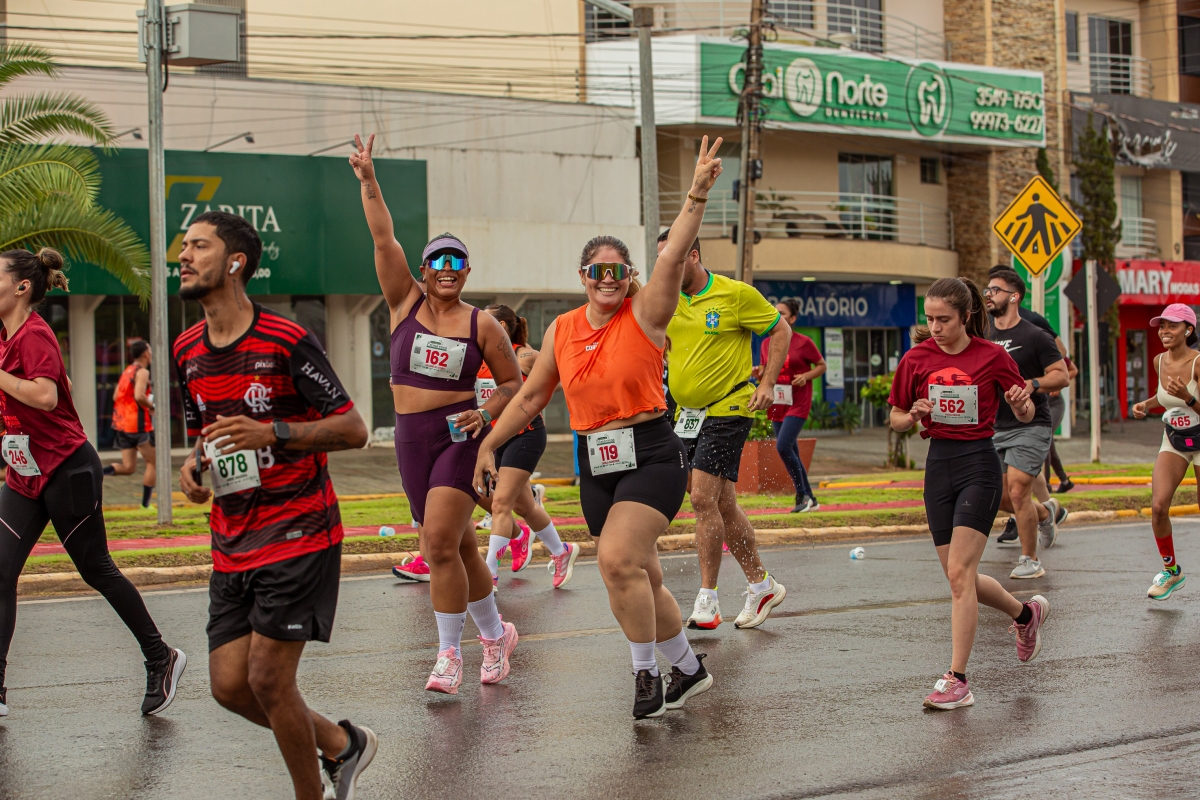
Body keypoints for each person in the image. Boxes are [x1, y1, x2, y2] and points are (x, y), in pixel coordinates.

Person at [475, 136, 725, 719]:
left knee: (615, 560)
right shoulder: (562, 329)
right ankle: (688, 669)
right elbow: (530, 397)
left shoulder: (647, 312)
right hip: (597, 463)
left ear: (628, 274)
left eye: (617, 271)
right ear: (583, 275)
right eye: (597, 271)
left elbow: (673, 256)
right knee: (641, 577)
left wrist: (696, 194)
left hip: (652, 454)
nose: (607, 279)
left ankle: (645, 677)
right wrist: (489, 441)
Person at [175, 212, 376, 800]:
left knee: (268, 679)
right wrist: (194, 467)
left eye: (198, 246)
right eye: (184, 246)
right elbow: (206, 435)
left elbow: (354, 429)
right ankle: (342, 745)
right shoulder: (186, 350)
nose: (184, 256)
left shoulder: (285, 340)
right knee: (229, 686)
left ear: (235, 262)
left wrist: (274, 432)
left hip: (299, 530)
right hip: (232, 537)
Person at [350, 133, 523, 697]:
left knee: (440, 545)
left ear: (467, 272)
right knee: (462, 546)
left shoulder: (482, 324)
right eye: (438, 261)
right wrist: (369, 180)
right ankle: (496, 636)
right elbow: (383, 236)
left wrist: (485, 414)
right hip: (410, 439)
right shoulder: (404, 302)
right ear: (424, 269)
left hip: (457, 436)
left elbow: (513, 385)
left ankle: (449, 655)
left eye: (457, 261)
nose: (447, 268)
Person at [0, 248, 184, 720]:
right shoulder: (5, 337)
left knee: (96, 569)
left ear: (21, 286)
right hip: (26, 472)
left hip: (67, 469)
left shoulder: (34, 334)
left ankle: (160, 656)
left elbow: (46, 396)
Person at [888, 277, 1049, 710]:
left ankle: (957, 679)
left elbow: (1025, 410)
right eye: (930, 319)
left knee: (960, 575)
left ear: (965, 316)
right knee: (959, 576)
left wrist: (1020, 403)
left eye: (944, 319)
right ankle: (1025, 614)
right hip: (937, 466)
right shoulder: (916, 358)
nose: (935, 327)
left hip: (979, 463)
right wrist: (912, 414)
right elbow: (897, 417)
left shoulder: (992, 356)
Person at [660, 229, 791, 631]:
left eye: (674, 256)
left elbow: (780, 330)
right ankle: (761, 584)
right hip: (685, 413)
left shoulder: (735, 294)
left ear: (693, 255)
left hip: (731, 406)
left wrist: (767, 383)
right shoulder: (664, 297)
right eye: (662, 258)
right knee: (721, 504)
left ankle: (708, 598)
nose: (667, 264)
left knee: (702, 497)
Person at [476, 304, 579, 589]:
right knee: (525, 507)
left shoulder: (525, 355)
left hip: (526, 435)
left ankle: (489, 574)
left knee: (500, 504)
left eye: (486, 319)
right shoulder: (484, 358)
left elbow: (562, 373)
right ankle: (561, 551)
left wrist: (535, 396)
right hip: (497, 438)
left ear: (502, 327)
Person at [984, 268, 1068, 578]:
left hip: (1031, 424)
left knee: (1019, 491)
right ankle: (1045, 513)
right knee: (1000, 496)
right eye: (987, 289)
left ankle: (1030, 560)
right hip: (995, 425)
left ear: (1014, 297)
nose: (989, 294)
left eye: (995, 290)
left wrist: (1033, 384)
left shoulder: (1035, 335)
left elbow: (1061, 375)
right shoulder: (983, 336)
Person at [1130, 304, 1200, 601]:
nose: (1164, 331)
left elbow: (1185, 398)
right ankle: (1171, 572)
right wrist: (1146, 404)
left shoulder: (1198, 363)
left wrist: (1189, 397)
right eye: (1162, 326)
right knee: (1158, 507)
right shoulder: (1159, 361)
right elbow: (1165, 397)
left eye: (1172, 326)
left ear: (1188, 330)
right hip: (1174, 438)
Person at [756, 298, 826, 513]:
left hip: (798, 402)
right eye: (775, 311)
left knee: (783, 446)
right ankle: (811, 498)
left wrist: (806, 376)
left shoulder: (804, 342)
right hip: (777, 402)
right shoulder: (766, 343)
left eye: (782, 313)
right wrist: (759, 373)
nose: (777, 315)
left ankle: (801, 494)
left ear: (793, 318)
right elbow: (766, 371)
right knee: (790, 449)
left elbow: (821, 365)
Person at [104, 339, 157, 508]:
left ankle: (97, 473)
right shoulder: (142, 372)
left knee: (128, 468)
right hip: (138, 425)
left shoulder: (127, 371)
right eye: (150, 350)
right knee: (153, 463)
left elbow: (115, 396)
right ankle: (146, 506)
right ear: (146, 354)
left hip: (122, 424)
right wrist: (151, 406)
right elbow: (139, 396)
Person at [1045, 354, 1078, 493]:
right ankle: (1065, 481)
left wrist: (1058, 385)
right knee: (1049, 443)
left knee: (1045, 437)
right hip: (1039, 403)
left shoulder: (1051, 349)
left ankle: (1045, 484)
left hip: (1054, 403)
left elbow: (1073, 370)